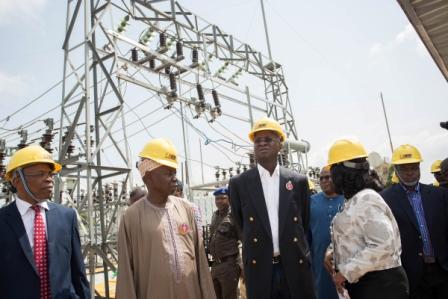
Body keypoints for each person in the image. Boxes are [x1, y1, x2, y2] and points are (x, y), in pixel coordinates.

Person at [116, 138, 216, 299]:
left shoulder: (186, 209)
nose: (174, 178)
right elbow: (125, 275)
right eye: (168, 173)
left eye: (174, 172)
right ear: (148, 176)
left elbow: (201, 264)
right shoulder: (131, 217)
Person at [229, 117, 315, 299]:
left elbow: (303, 222)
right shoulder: (239, 183)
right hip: (259, 266)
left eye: (268, 139)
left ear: (280, 145)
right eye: (257, 140)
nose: (261, 143)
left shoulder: (297, 181)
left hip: (293, 264)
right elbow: (240, 226)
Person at [0, 145, 90, 298]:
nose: (49, 179)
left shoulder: (67, 217)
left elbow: (78, 273)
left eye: (50, 174)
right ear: (17, 180)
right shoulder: (3, 220)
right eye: (41, 174)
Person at [325, 139, 408, 299]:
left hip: (381, 287)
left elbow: (383, 245)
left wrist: (345, 272)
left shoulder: (367, 199)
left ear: (341, 173)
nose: (329, 178)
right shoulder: (353, 201)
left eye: (332, 170)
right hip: (367, 286)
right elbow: (354, 237)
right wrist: (331, 251)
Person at [380, 145, 448, 298]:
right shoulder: (385, 199)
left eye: (414, 168)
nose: (410, 173)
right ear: (396, 170)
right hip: (412, 276)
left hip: (442, 270)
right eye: (404, 169)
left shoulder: (440, 195)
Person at [308, 166, 344, 299]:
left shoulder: (347, 199)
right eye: (321, 178)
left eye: (328, 177)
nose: (324, 180)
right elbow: (307, 236)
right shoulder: (311, 202)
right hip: (319, 265)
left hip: (346, 264)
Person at [209, 187, 241, 299]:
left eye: (223, 198)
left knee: (230, 296)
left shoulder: (234, 216)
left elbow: (243, 239)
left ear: (230, 199)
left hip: (229, 265)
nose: (219, 201)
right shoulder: (215, 215)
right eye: (217, 198)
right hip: (215, 265)